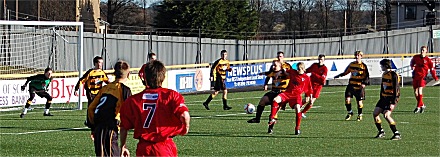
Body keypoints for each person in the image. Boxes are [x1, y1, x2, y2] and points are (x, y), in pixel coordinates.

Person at [119, 60, 190, 157]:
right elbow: (185, 115)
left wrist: (123, 146)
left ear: (145, 78)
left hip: (143, 148)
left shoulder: (133, 100)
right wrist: (185, 128)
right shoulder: (171, 95)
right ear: (163, 77)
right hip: (164, 146)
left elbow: (124, 127)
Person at [87, 60, 132, 156]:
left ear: (114, 73)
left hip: (99, 127)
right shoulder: (124, 90)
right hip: (110, 127)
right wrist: (123, 145)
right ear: (128, 74)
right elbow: (128, 113)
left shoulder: (105, 88)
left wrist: (93, 127)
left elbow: (91, 108)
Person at [268, 62, 312, 135]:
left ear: (303, 69)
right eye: (297, 69)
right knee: (275, 100)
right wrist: (282, 71)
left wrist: (309, 97)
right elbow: (285, 71)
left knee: (298, 109)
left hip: (296, 96)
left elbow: (309, 88)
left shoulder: (306, 78)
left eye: (299, 69)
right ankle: (272, 118)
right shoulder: (293, 72)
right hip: (287, 93)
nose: (297, 70)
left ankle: (297, 128)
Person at [74, 56, 110, 137]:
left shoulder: (102, 72)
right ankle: (89, 121)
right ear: (95, 63)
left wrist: (112, 86)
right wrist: (76, 89)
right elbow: (82, 80)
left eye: (102, 62)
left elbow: (107, 81)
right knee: (91, 106)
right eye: (99, 62)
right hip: (91, 92)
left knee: (99, 106)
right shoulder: (90, 72)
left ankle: (95, 120)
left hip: (99, 92)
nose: (101, 64)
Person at [334, 51, 370, 121]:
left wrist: (364, 83)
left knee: (359, 103)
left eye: (359, 55)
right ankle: (350, 112)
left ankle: (360, 114)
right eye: (356, 55)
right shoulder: (352, 64)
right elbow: (346, 72)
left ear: (361, 56)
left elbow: (367, 76)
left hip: (359, 86)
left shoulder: (363, 66)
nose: (357, 56)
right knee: (347, 100)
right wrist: (339, 75)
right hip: (351, 85)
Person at [373, 59, 401, 140]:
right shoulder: (384, 74)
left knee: (386, 115)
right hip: (384, 98)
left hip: (391, 98)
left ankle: (396, 133)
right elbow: (382, 87)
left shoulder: (393, 75)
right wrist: (381, 97)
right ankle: (381, 132)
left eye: (381, 65)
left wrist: (393, 102)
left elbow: (396, 89)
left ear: (385, 66)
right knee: (375, 113)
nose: (381, 67)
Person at [410, 46, 438, 113]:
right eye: (421, 50)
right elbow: (412, 62)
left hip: (422, 77)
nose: (422, 51)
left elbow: (432, 69)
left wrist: (435, 77)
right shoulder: (416, 57)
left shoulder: (428, 60)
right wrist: (412, 66)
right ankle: (422, 105)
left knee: (419, 91)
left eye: (423, 50)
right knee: (415, 92)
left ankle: (418, 107)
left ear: (426, 51)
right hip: (415, 76)